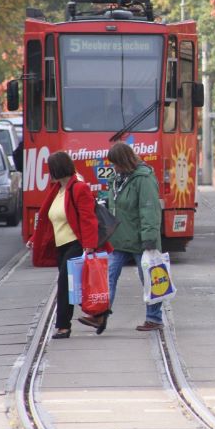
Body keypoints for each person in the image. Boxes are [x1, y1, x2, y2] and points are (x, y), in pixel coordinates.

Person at [78, 141, 163, 332]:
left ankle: (154, 318)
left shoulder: (144, 179)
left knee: (150, 280)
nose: (113, 167)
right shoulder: (119, 178)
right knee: (107, 278)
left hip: (141, 241)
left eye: (116, 163)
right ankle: (99, 315)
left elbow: (149, 209)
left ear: (125, 161)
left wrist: (149, 239)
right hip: (119, 239)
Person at [27, 151, 112, 339]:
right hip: (62, 245)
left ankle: (63, 327)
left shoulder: (79, 188)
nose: (49, 172)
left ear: (57, 169)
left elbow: (88, 218)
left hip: (77, 243)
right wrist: (34, 238)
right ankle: (99, 314)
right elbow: (47, 219)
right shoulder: (56, 190)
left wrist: (89, 245)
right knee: (75, 285)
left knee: (65, 285)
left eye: (51, 169)